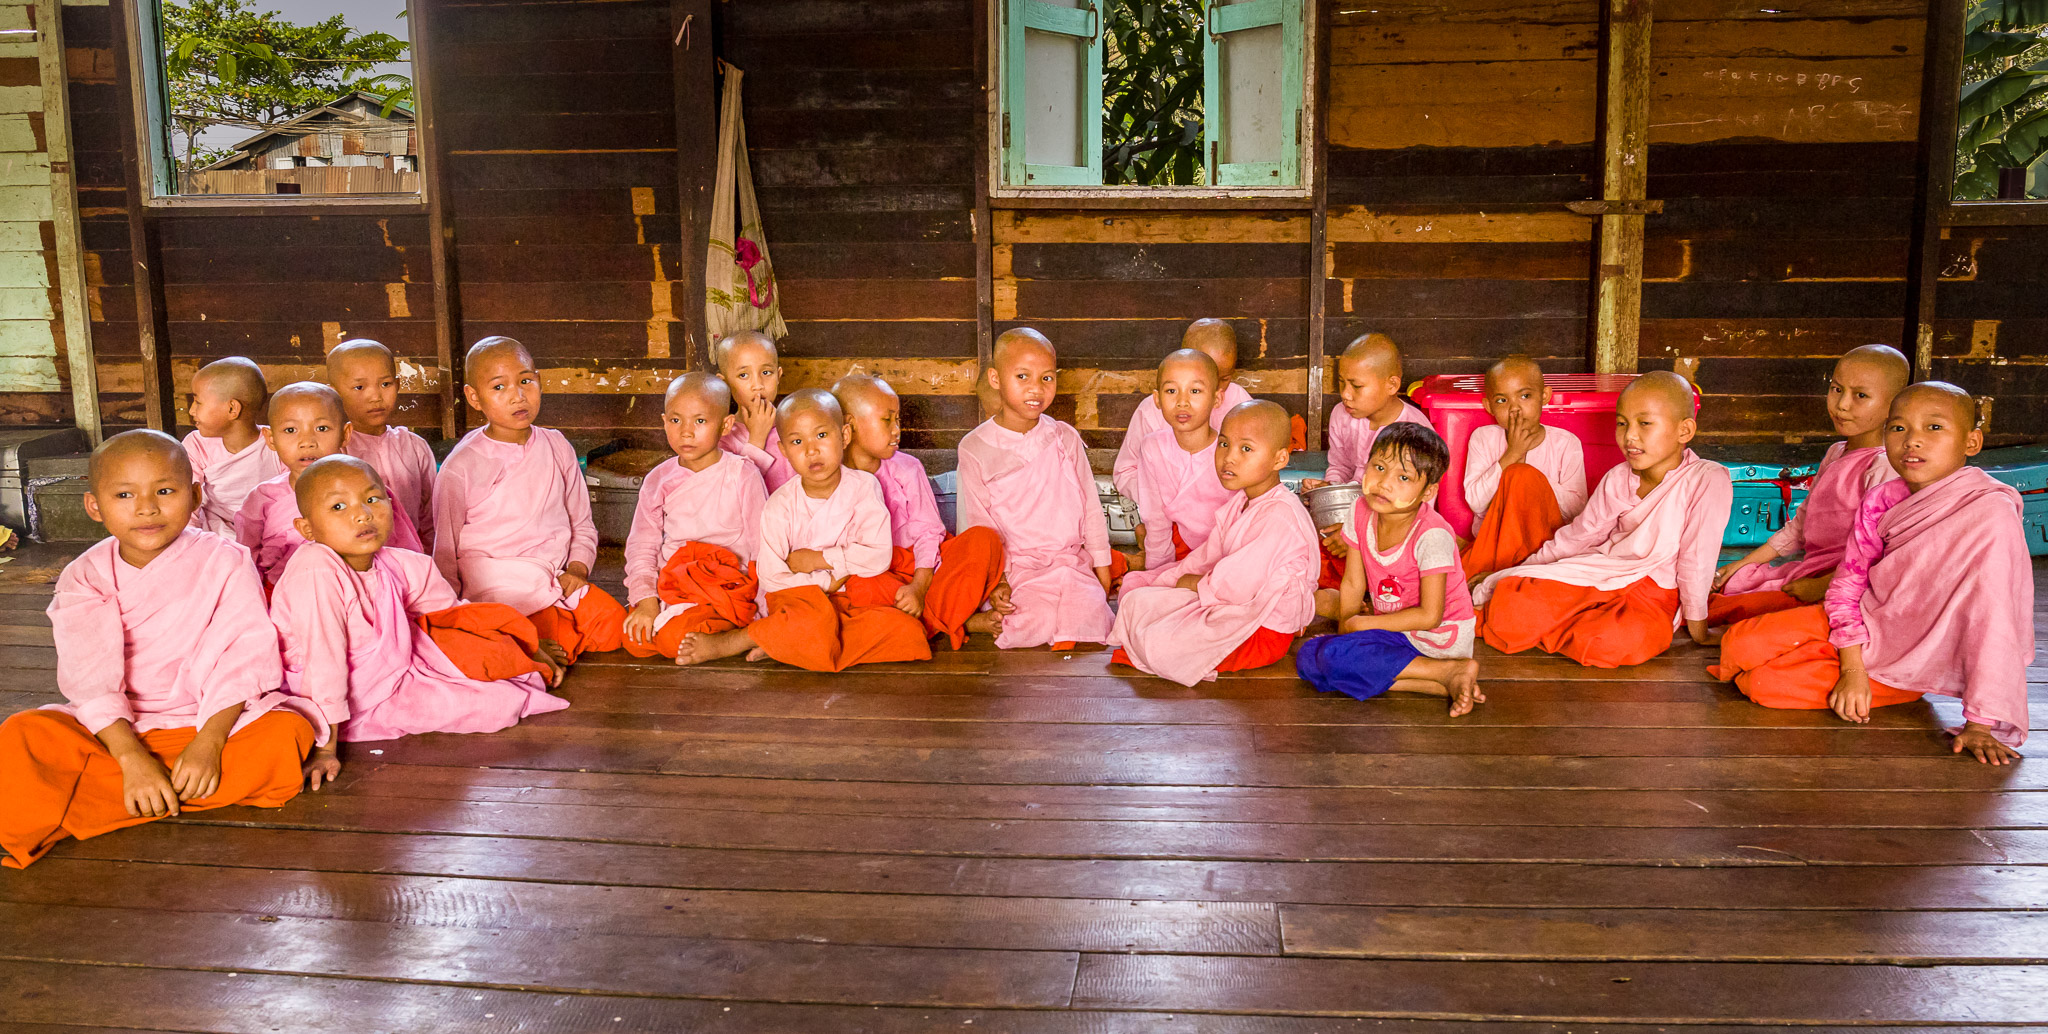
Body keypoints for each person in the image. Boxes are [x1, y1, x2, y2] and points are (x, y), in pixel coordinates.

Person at [0, 431, 319, 868]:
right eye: (125, 494)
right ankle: (160, 789)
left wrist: (208, 742)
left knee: (287, 732)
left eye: (165, 491)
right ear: (94, 505)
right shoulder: (85, 575)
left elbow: (244, 652)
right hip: (115, 732)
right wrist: (131, 758)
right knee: (22, 735)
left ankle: (100, 802)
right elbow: (89, 678)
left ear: (194, 495)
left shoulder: (226, 559)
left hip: (211, 720)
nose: (147, 508)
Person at [1712, 383, 2031, 765]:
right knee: (1739, 644)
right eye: (1899, 429)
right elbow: (1848, 583)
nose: (1912, 442)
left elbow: (1994, 619)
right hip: (1869, 619)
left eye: (1934, 428)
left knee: (1764, 684)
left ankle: (1904, 684)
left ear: (1971, 441)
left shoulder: (1988, 512)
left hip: (1916, 651)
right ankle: (1843, 663)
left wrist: (1979, 724)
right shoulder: (1882, 498)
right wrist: (1852, 667)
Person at [275, 456, 566, 790]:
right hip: (332, 699)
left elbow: (454, 615)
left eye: (372, 499)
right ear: (308, 529)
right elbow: (322, 660)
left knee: (504, 688)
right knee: (502, 705)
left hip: (396, 676)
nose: (362, 514)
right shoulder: (315, 566)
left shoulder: (400, 565)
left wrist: (523, 644)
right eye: (339, 506)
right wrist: (325, 747)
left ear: (390, 502)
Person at [1475, 371, 1732, 668]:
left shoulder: (1707, 478)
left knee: (1612, 641)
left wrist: (1698, 628)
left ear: (1684, 431)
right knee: (1511, 607)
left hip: (1654, 596)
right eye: (1622, 423)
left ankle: (1572, 628)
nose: (1629, 436)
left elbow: (1696, 559)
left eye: (1644, 423)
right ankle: (1570, 626)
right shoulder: (1618, 477)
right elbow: (1578, 537)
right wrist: (1516, 573)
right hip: (1601, 574)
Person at [676, 390, 933, 671]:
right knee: (816, 627)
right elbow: (773, 577)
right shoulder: (780, 505)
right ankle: (738, 640)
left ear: (845, 436)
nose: (811, 450)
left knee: (908, 632)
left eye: (822, 435)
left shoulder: (863, 487)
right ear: (785, 451)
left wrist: (818, 561)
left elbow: (878, 556)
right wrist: (828, 582)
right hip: (800, 600)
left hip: (850, 598)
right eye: (798, 441)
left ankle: (782, 642)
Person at [433, 336, 626, 668]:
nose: (517, 395)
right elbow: (445, 549)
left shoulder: (556, 445)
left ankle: (528, 641)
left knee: (613, 626)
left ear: (539, 381)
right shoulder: (461, 465)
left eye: (526, 381)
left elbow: (581, 522)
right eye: (499, 387)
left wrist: (578, 569)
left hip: (556, 576)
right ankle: (517, 640)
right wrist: (456, 615)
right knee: (533, 637)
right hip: (496, 586)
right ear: (474, 397)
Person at [1109, 401, 1318, 686]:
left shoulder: (1280, 514)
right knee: (1138, 600)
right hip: (1231, 605)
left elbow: (1238, 585)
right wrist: (1164, 580)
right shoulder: (1240, 503)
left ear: (1279, 459)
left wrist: (1192, 584)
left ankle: (1151, 648)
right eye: (1223, 444)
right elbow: (1206, 557)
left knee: (1164, 640)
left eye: (1246, 449)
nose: (1229, 458)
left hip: (1264, 629)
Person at [1709, 344, 1908, 626]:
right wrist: (1744, 563)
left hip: (1846, 585)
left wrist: (1821, 586)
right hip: (1810, 571)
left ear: (1895, 403)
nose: (1842, 405)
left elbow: (1879, 554)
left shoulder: (1884, 467)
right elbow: (1800, 526)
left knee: (1733, 614)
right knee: (1732, 583)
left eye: (1860, 395)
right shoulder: (1836, 453)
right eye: (1837, 389)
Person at [1296, 422, 1483, 715]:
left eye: (1404, 477)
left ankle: (1447, 666)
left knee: (1331, 657)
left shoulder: (1431, 534)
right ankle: (1440, 679)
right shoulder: (1360, 510)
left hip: (1437, 640)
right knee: (1309, 658)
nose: (1385, 483)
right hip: (1394, 631)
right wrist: (1348, 627)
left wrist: (1364, 625)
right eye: (1379, 468)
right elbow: (1353, 584)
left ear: (1428, 491)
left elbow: (1430, 616)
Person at [956, 328, 1117, 650]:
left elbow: (1089, 505)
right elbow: (975, 526)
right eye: (1022, 376)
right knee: (1029, 622)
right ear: (995, 378)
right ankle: (979, 617)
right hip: (1017, 567)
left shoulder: (1064, 437)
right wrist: (996, 582)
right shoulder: (974, 447)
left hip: (1068, 560)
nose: (1036, 389)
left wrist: (1102, 567)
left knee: (1094, 617)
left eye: (1047, 378)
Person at [834, 372, 1005, 649]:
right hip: (878, 574)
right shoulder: (831, 478)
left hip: (925, 569)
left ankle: (928, 622)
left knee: (984, 541)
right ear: (849, 426)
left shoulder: (908, 467)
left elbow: (929, 532)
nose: (896, 429)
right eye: (886, 420)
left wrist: (919, 587)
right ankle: (958, 622)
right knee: (861, 587)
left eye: (897, 419)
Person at [619, 373, 768, 661]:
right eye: (676, 421)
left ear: (726, 425)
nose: (686, 432)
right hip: (673, 586)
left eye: (700, 421)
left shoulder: (742, 473)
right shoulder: (658, 479)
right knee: (632, 638)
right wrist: (647, 602)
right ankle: (707, 629)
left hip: (727, 587)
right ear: (664, 422)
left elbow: (762, 546)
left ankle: (737, 635)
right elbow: (642, 546)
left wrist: (762, 611)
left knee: (673, 639)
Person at [236, 381, 423, 587]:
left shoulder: (369, 491)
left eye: (322, 428)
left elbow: (403, 553)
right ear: (270, 439)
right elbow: (245, 563)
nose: (307, 441)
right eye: (290, 430)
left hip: (363, 591)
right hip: (282, 598)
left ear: (345, 434)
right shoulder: (263, 498)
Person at [1299, 333, 1432, 591]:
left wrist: (1356, 533)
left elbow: (1414, 508)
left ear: (1392, 385)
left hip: (1393, 526)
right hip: (1349, 516)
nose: (1346, 395)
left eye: (1356, 386)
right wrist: (1327, 489)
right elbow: (1340, 466)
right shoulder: (1342, 414)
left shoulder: (1414, 431)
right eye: (1341, 383)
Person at [1459, 356, 1587, 582]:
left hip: (1544, 545)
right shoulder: (1483, 438)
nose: (1515, 409)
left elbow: (1577, 509)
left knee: (1521, 476)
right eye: (1502, 401)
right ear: (1488, 406)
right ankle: (1504, 576)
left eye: (1525, 396)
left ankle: (1510, 575)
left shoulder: (1566, 443)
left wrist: (1530, 480)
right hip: (1494, 543)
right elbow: (1476, 502)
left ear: (1544, 396)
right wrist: (1511, 456)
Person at [1112, 318, 1255, 505]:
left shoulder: (1240, 403)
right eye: (1201, 379)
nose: (1216, 389)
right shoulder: (1152, 410)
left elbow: (1257, 465)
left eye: (1225, 379)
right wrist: (1163, 499)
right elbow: (1125, 472)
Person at [1131, 350, 1235, 571]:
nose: (1182, 402)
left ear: (1217, 398)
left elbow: (1243, 520)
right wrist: (1157, 573)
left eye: (1195, 391)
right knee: (1139, 597)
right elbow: (1156, 519)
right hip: (1182, 550)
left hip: (1229, 554)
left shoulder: (1228, 450)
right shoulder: (1152, 447)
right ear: (1157, 399)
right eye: (1171, 391)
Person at [331, 337, 439, 546]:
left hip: (412, 555)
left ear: (397, 385)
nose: (375, 396)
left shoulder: (415, 446)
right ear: (335, 392)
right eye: (359, 387)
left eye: (385, 384)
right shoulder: (336, 451)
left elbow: (431, 515)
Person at [181, 356, 283, 535]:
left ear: (232, 409)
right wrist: (190, 542)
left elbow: (290, 497)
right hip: (215, 528)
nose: (191, 411)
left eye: (198, 402)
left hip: (270, 529)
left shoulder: (275, 442)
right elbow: (187, 502)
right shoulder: (196, 444)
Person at [714, 330, 795, 492]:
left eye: (766, 373)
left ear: (778, 376)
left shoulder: (794, 425)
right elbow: (729, 493)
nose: (758, 384)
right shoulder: (722, 437)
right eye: (743, 375)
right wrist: (757, 438)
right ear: (725, 383)